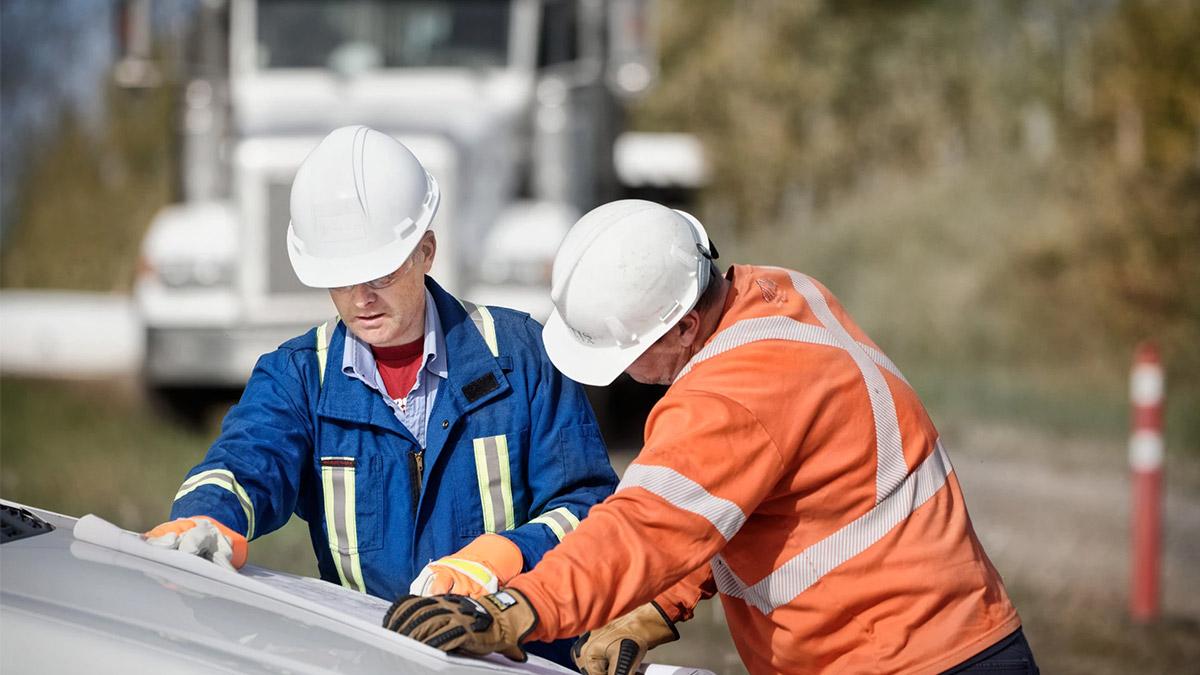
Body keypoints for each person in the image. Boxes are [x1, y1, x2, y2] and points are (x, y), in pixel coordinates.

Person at [385, 199, 1039, 674]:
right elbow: (735, 502)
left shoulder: (728, 397)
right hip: (961, 640)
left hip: (902, 658)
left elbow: (647, 525)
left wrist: (517, 607)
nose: (628, 376)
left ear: (682, 327)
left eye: (629, 355)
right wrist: (657, 607)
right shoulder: (780, 293)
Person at [144, 126, 618, 666]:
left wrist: (502, 556)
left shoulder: (521, 355)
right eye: (341, 279)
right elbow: (245, 462)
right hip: (369, 659)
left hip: (519, 659)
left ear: (427, 252)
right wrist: (208, 517)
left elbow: (589, 508)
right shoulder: (298, 377)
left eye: (381, 273)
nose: (361, 298)